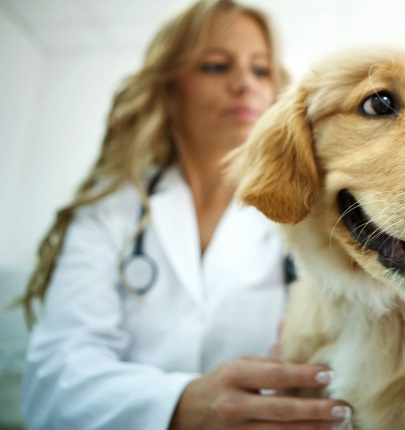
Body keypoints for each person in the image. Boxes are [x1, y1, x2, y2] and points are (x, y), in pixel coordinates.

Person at [18, 1, 351, 429]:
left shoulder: (311, 211)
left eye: (260, 70)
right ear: (170, 83)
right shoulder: (113, 207)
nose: (244, 85)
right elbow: (52, 381)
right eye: (216, 66)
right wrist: (177, 404)